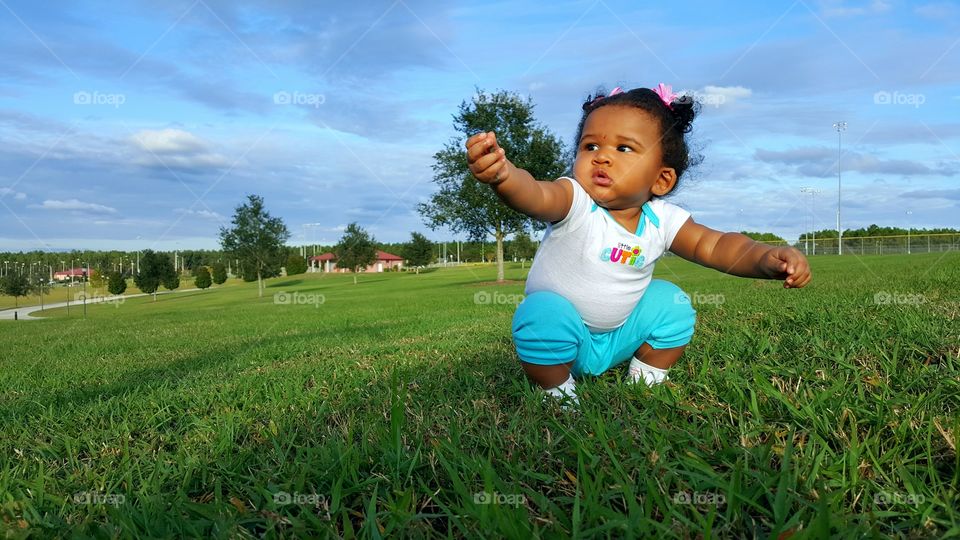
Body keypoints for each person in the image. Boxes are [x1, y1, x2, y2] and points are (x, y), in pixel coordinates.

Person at [465, 84, 812, 407]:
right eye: (590, 146)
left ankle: (646, 376)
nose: (602, 157)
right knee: (541, 313)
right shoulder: (575, 201)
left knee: (670, 301)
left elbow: (716, 245)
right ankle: (556, 391)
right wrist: (505, 176)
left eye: (624, 148)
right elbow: (537, 194)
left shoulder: (663, 220)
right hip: (566, 341)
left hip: (620, 338)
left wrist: (766, 258)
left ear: (661, 179)